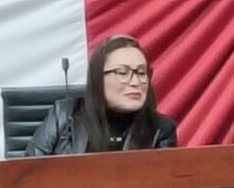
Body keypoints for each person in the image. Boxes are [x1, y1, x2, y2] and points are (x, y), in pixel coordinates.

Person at [25, 35, 176, 156]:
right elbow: (27, 175)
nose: (136, 82)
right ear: (98, 79)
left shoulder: (160, 129)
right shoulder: (64, 115)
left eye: (141, 73)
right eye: (123, 73)